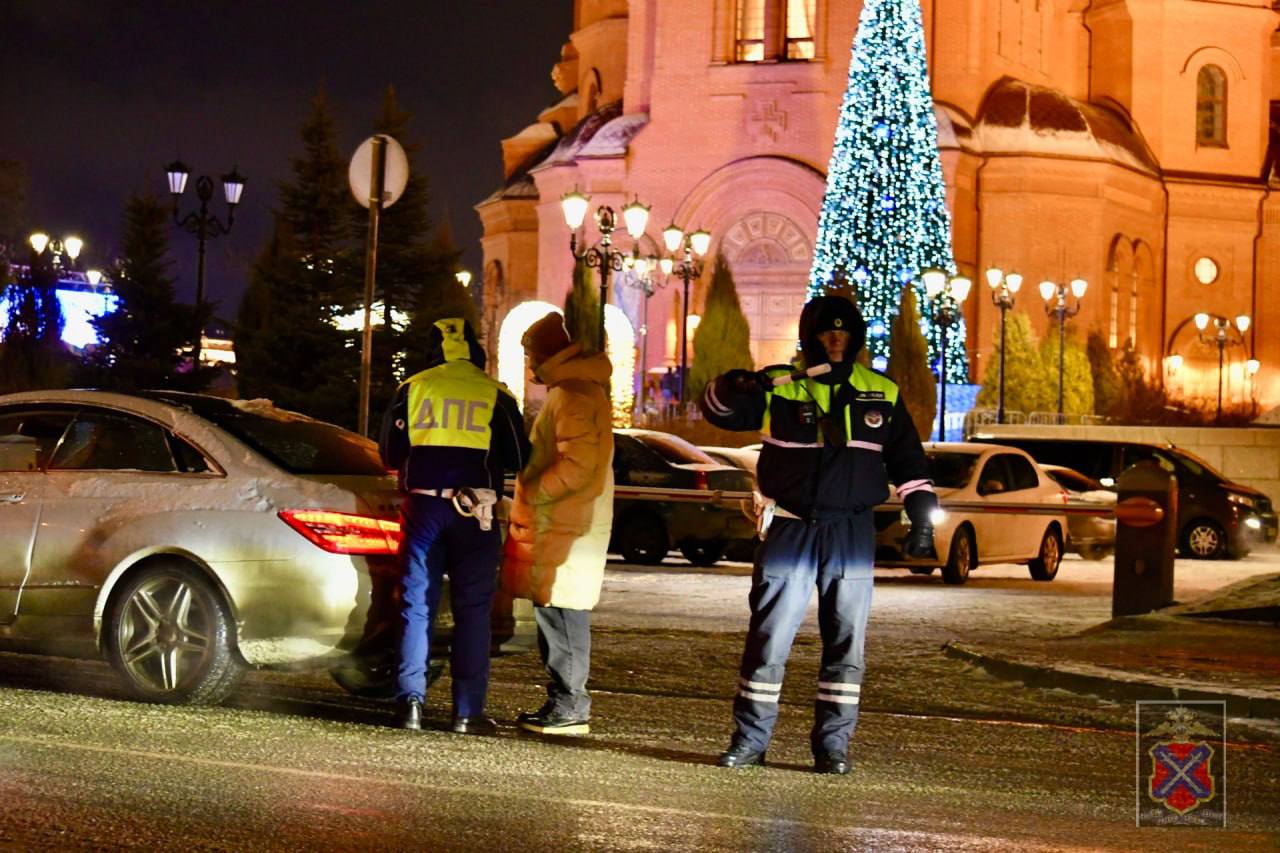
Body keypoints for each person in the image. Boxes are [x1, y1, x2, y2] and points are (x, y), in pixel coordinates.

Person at [699, 294, 938, 774]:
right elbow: (717, 411)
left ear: (856, 338)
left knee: (846, 643)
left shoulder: (881, 391)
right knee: (769, 639)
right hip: (790, 525)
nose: (835, 339)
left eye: (844, 332)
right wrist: (733, 385)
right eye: (827, 332)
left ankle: (833, 746)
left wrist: (922, 521)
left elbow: (910, 462)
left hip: (851, 530)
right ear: (809, 337)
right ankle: (750, 741)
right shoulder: (779, 386)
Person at [379, 317, 529, 734]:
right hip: (475, 513)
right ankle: (466, 712)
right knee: (474, 611)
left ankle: (410, 704)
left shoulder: (412, 388)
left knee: (415, 605)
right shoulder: (495, 393)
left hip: (423, 508)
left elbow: (389, 453)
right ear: (475, 350)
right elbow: (519, 457)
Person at [502, 312, 614, 735]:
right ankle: (567, 702)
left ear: (546, 354)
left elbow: (578, 465)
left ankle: (569, 705)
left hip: (566, 525)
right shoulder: (579, 390)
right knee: (560, 609)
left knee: (562, 612)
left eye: (530, 354)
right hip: (569, 523)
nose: (529, 363)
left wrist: (535, 491)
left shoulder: (572, 394)